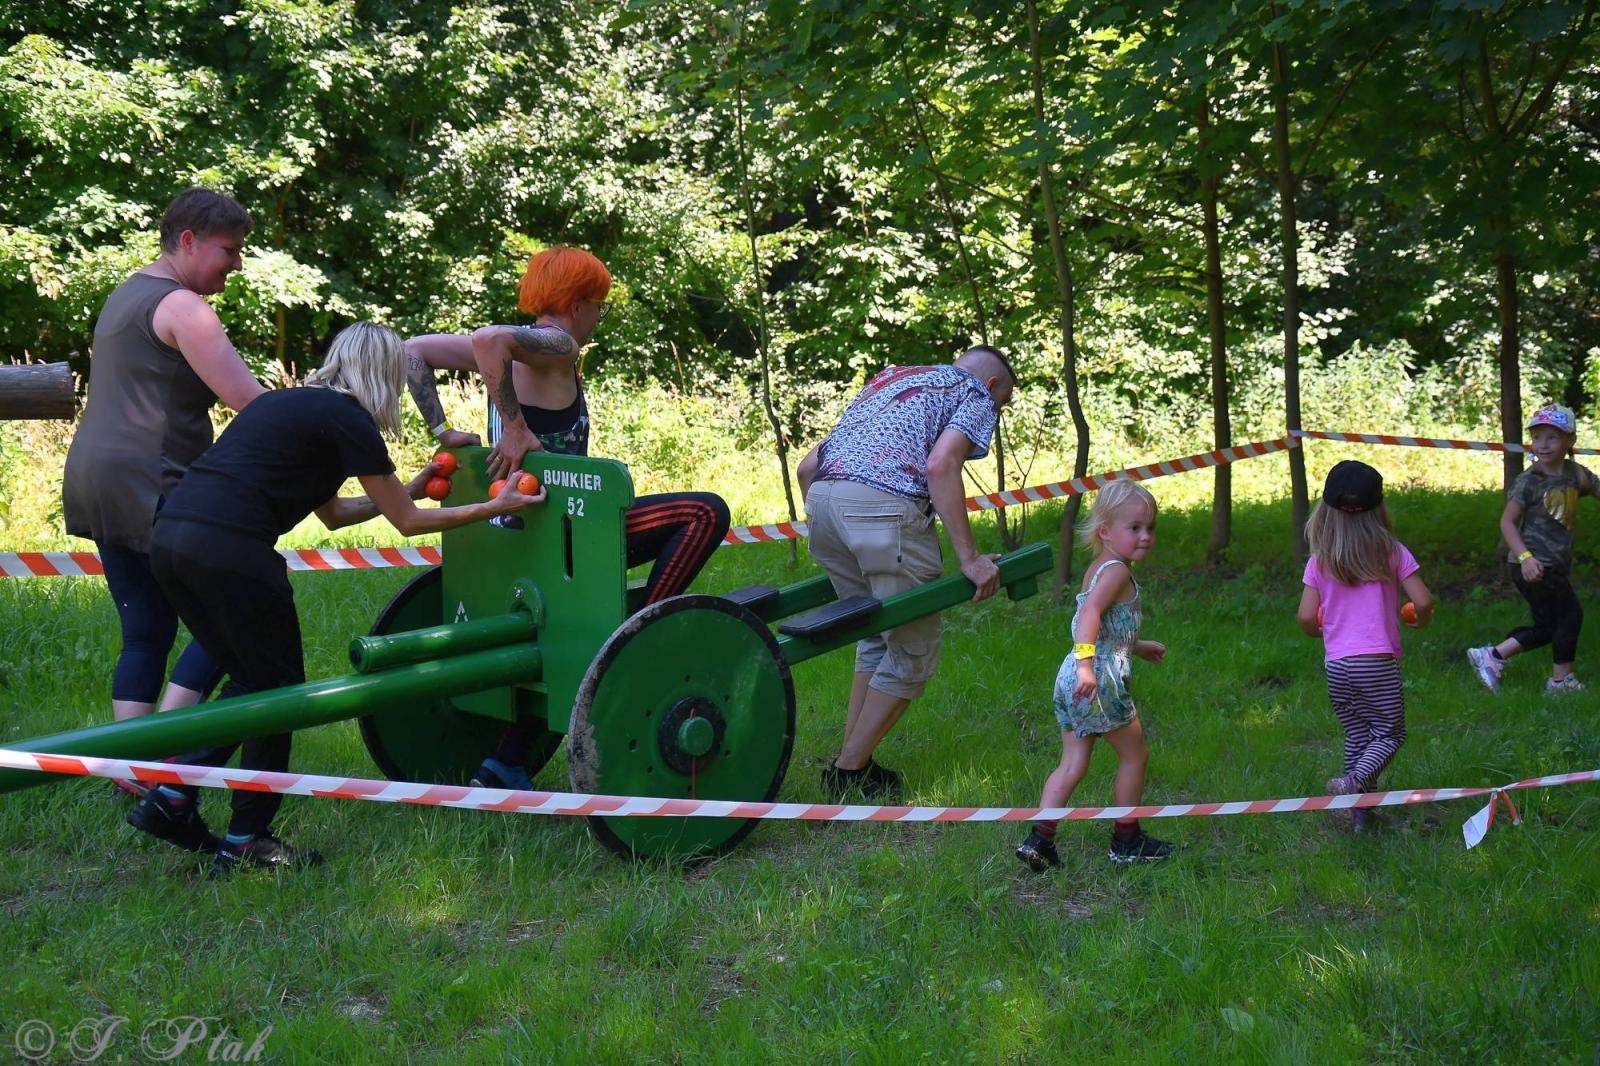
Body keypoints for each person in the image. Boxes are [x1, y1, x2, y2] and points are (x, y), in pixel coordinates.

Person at [125, 323, 541, 876]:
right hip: (230, 551)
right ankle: (241, 833)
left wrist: (410, 487)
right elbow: (410, 523)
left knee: (248, 679)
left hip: (172, 541)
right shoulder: (350, 420)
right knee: (279, 694)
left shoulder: (292, 407)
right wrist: (494, 506)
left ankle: (176, 796)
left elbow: (337, 513)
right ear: (383, 373)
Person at [404, 246, 731, 790]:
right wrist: (512, 425)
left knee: (564, 629)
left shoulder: (520, 353)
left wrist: (443, 432)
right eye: (599, 304)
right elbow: (488, 338)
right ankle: (636, 636)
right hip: (565, 532)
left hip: (521, 530)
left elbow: (411, 351)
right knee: (704, 512)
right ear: (577, 304)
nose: (600, 316)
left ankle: (506, 760)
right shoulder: (557, 342)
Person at [62, 188, 266, 795]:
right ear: (188, 241)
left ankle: (132, 765)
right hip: (153, 480)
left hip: (96, 478)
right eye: (229, 251)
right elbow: (251, 405)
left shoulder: (125, 292)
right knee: (235, 613)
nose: (236, 264)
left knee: (146, 625)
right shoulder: (185, 308)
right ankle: (166, 747)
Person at [796, 347, 1014, 800]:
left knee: (875, 632)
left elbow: (808, 467)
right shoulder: (974, 391)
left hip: (822, 503)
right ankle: (848, 770)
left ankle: (853, 760)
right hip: (882, 508)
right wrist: (971, 559)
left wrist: (832, 521)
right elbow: (941, 465)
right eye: (1001, 405)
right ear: (993, 386)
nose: (993, 414)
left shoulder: (892, 379)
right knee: (913, 649)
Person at [1015, 480, 1172, 872]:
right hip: (1096, 679)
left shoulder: (1099, 567)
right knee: (1135, 755)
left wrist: (1137, 645)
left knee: (1073, 764)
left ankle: (1040, 840)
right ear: (1105, 531)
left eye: (1150, 527)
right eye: (1134, 527)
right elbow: (1089, 617)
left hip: (1071, 675)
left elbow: (1103, 626)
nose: (1145, 536)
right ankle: (1126, 840)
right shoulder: (1117, 572)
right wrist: (1088, 664)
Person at [1296, 460, 1434, 833]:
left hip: (1337, 665)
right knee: (1390, 733)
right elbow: (1422, 601)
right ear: (1379, 508)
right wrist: (1420, 619)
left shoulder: (1320, 559)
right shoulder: (1391, 550)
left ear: (1325, 511)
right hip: (1376, 661)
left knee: (1359, 734)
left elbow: (1307, 617)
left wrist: (1319, 631)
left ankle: (1360, 817)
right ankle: (1353, 784)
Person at [1468, 404, 1599, 695]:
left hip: (1553, 563)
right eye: (1537, 437)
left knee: (1549, 626)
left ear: (1570, 441)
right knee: (1570, 615)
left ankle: (1492, 656)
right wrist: (1526, 558)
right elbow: (1507, 522)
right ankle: (1560, 681)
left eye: (1552, 437)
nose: (1543, 444)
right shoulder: (1528, 481)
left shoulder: (1577, 475)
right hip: (1531, 562)